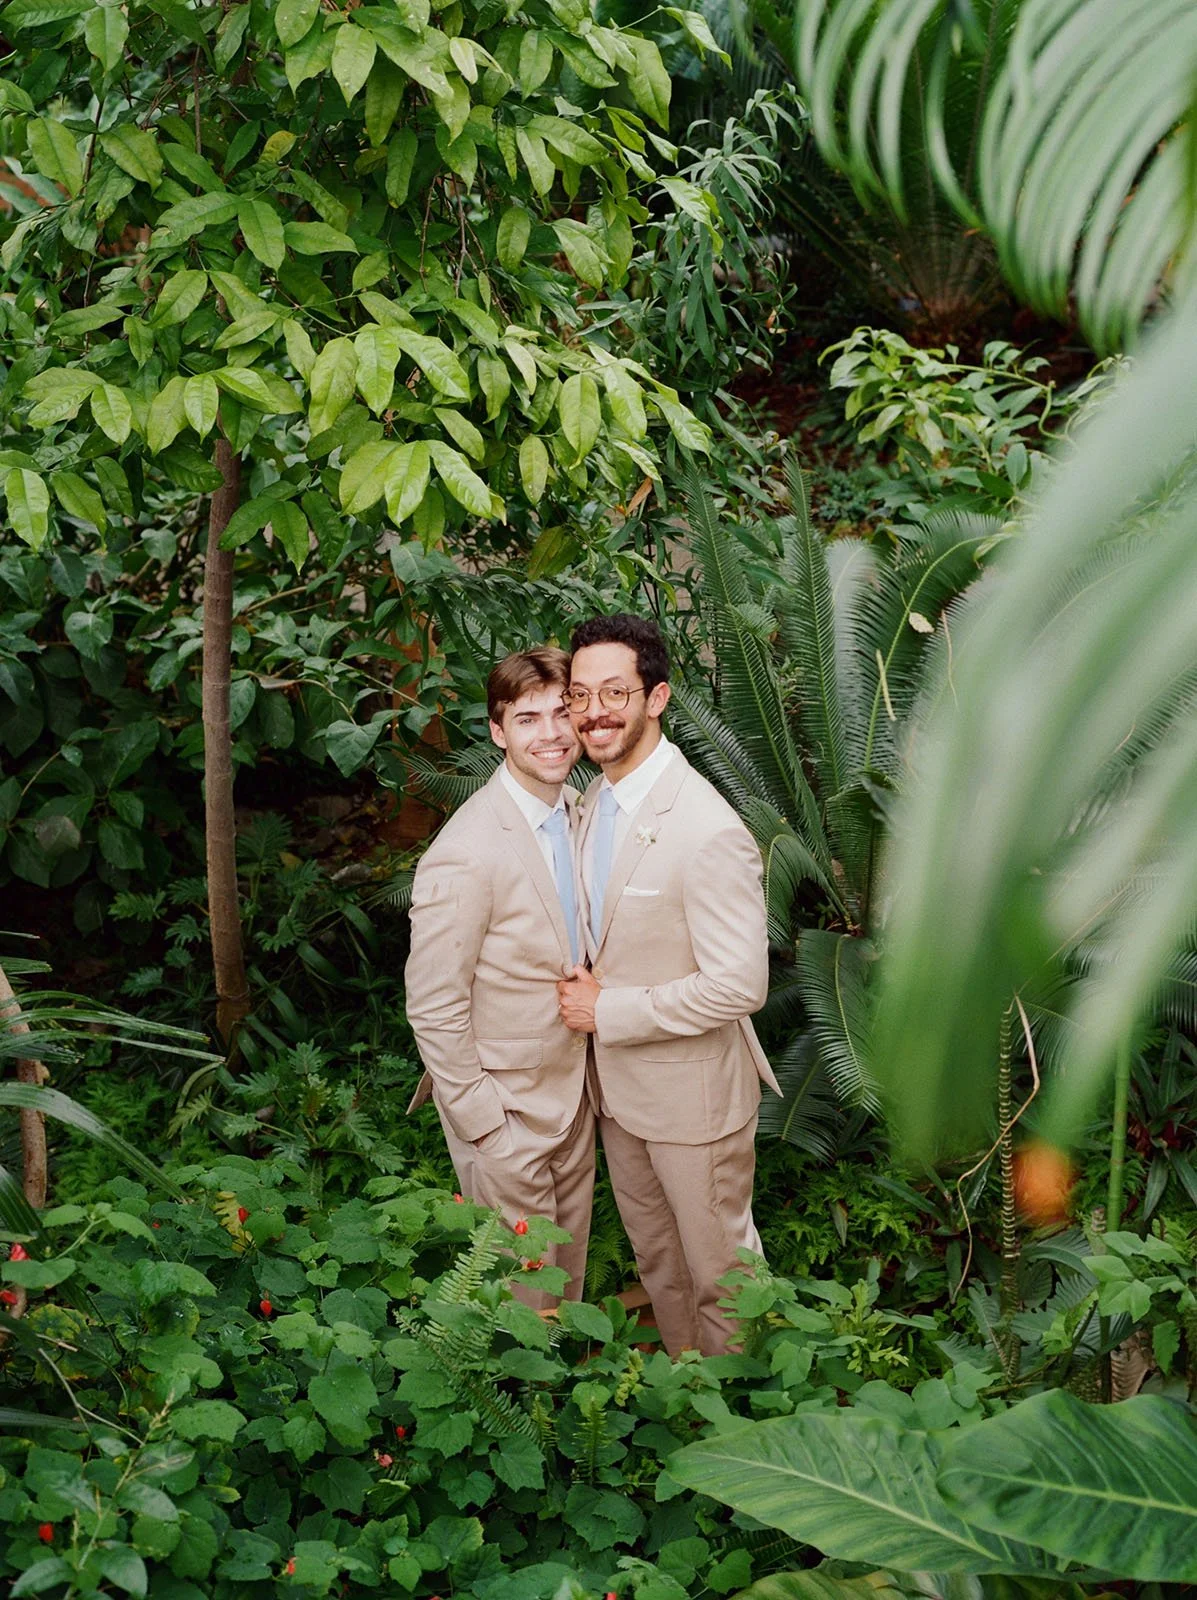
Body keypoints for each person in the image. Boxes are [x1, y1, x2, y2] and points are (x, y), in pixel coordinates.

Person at [557, 614, 779, 1354]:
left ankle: (753, 1429)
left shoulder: (705, 829)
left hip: (693, 1103)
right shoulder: (591, 802)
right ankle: (694, 1399)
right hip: (619, 1096)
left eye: (614, 692)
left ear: (656, 698)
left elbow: (738, 985)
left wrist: (607, 1011)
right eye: (580, 694)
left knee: (722, 1277)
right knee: (660, 1266)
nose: (594, 711)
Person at [406, 647, 593, 1305]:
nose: (550, 734)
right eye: (527, 718)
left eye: (562, 713)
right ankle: (514, 1406)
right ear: (496, 730)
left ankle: (564, 1405)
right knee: (520, 1299)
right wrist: (486, 1124)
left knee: (563, 1290)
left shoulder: (580, 811)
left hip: (574, 1096)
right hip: (506, 1111)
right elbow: (432, 1002)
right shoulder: (465, 852)